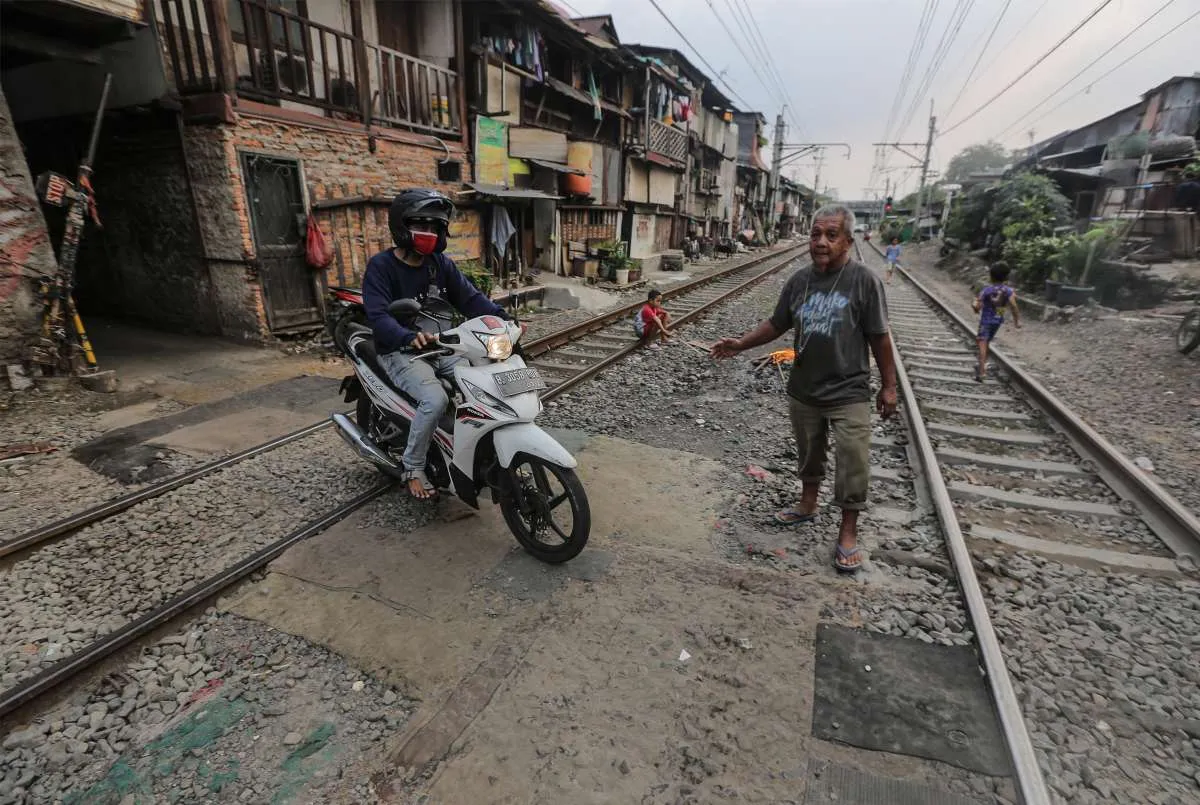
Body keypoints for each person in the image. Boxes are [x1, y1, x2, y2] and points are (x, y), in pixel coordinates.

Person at [710, 204, 897, 573]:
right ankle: (807, 504)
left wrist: (889, 387)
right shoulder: (799, 281)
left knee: (853, 460)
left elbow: (880, 337)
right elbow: (777, 323)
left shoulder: (864, 281)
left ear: (848, 241)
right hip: (804, 387)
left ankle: (847, 532)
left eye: (831, 235)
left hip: (849, 391)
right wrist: (740, 344)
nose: (821, 242)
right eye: (815, 234)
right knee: (809, 453)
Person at [363, 189, 517, 500]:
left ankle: (475, 449)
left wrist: (506, 320)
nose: (429, 233)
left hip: (442, 346)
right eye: (422, 226)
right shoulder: (381, 266)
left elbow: (471, 299)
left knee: (483, 381)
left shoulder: (439, 264)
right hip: (401, 351)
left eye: (435, 227)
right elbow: (378, 316)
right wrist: (407, 336)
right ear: (402, 227)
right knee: (435, 399)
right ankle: (413, 467)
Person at [972, 262, 1020, 382]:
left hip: (986, 321)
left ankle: (982, 371)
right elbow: (1014, 306)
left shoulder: (986, 290)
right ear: (1006, 277)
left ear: (991, 276)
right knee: (987, 341)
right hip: (997, 321)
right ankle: (982, 364)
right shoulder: (1008, 291)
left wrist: (974, 306)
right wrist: (1016, 321)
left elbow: (977, 307)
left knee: (982, 342)